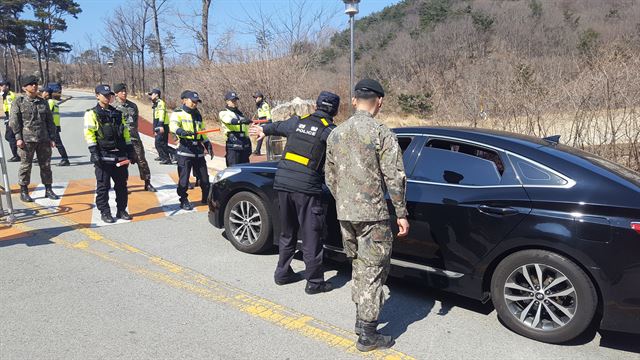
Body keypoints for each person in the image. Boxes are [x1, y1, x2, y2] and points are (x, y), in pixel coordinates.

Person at [325, 79, 410, 352]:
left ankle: (361, 322)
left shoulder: (336, 134)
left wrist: (345, 202)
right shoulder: (381, 133)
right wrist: (401, 213)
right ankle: (368, 336)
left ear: (353, 101)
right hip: (373, 215)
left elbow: (329, 177)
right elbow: (395, 178)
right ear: (380, 102)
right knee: (373, 271)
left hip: (345, 214)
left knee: (359, 267)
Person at [250, 91, 340, 295]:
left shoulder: (297, 122)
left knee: (287, 232)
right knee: (311, 236)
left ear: (316, 106)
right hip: (306, 188)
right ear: (335, 110)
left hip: (282, 184)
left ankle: (282, 274)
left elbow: (276, 127)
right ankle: (315, 282)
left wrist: (263, 129)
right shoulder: (329, 131)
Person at [84, 84, 137, 223]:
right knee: (103, 186)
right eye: (104, 95)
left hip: (119, 155)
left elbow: (126, 133)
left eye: (109, 95)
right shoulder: (92, 113)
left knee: (121, 185)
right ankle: (105, 212)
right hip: (103, 155)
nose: (107, 97)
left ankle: (121, 210)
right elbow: (89, 134)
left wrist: (131, 150)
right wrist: (94, 152)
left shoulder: (118, 113)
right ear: (97, 96)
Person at [8, 75, 59, 202]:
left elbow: (50, 121)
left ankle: (48, 189)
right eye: (31, 84)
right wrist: (18, 138)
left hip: (43, 139)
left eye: (36, 83)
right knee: (26, 166)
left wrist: (52, 138)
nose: (35, 86)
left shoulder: (43, 102)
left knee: (46, 165)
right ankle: (24, 191)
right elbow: (14, 122)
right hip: (27, 140)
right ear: (24, 87)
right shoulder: (18, 102)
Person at [169, 90, 212, 210]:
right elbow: (173, 126)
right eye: (192, 101)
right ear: (184, 100)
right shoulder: (178, 113)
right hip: (185, 149)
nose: (195, 104)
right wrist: (181, 132)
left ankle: (206, 197)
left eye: (196, 102)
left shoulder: (197, 114)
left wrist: (207, 143)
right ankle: (183, 199)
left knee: (205, 179)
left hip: (198, 150)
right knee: (184, 179)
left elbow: (202, 130)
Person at [113, 83, 157, 192]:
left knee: (141, 160)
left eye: (125, 91)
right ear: (116, 94)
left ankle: (147, 182)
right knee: (123, 163)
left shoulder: (133, 106)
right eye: (121, 91)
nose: (124, 93)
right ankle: (123, 185)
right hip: (122, 139)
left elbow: (136, 121)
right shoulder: (113, 107)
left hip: (134, 138)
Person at [219, 91, 252, 166]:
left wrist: (248, 141)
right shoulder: (224, 112)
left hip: (243, 144)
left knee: (245, 169)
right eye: (232, 100)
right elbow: (229, 121)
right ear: (227, 101)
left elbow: (245, 130)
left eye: (235, 100)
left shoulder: (240, 114)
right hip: (233, 145)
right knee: (233, 170)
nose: (235, 102)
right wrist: (241, 121)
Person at [41, 87, 70, 166]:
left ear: (47, 93)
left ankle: (65, 159)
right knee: (45, 143)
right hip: (54, 125)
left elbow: (45, 113)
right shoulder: (52, 101)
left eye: (43, 92)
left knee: (58, 143)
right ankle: (43, 158)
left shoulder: (49, 102)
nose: (42, 93)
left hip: (52, 126)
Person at [148, 88, 172, 164]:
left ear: (156, 95)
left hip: (162, 125)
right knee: (159, 142)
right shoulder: (156, 103)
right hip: (158, 124)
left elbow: (161, 115)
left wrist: (160, 125)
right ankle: (162, 156)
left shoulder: (160, 103)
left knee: (160, 142)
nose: (151, 96)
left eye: (152, 94)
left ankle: (167, 158)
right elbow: (155, 117)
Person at [1, 80, 19, 162]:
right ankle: (19, 153)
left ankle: (16, 155)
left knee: (10, 137)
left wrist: (9, 118)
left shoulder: (10, 96)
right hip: (8, 117)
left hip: (12, 118)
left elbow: (12, 108)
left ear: (7, 86)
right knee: (11, 137)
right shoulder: (4, 95)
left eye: (2, 86)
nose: (1, 87)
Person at [252, 91, 272, 156]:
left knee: (264, 137)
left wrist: (265, 123)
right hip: (262, 121)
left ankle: (258, 150)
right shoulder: (259, 105)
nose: (255, 99)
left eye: (256, 98)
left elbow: (268, 116)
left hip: (266, 122)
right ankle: (258, 150)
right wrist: (256, 122)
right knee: (260, 136)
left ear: (260, 98)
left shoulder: (264, 105)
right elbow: (260, 117)